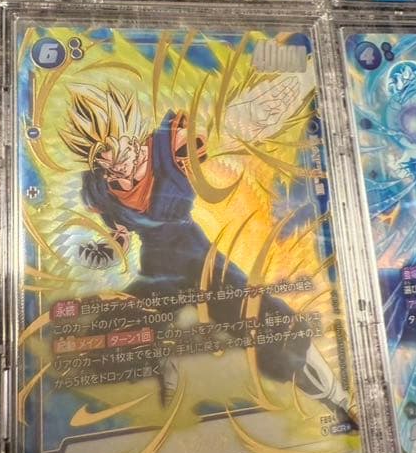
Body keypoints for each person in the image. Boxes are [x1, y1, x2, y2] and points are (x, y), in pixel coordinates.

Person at [59, 84, 357, 425]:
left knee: (272, 326)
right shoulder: (99, 186)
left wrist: (287, 92)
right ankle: (166, 385)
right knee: (114, 330)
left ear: (130, 131)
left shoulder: (169, 146)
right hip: (157, 272)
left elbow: (233, 129)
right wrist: (104, 252)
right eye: (101, 157)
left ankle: (339, 400)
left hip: (200, 262)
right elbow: (120, 237)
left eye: (118, 148)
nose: (116, 165)